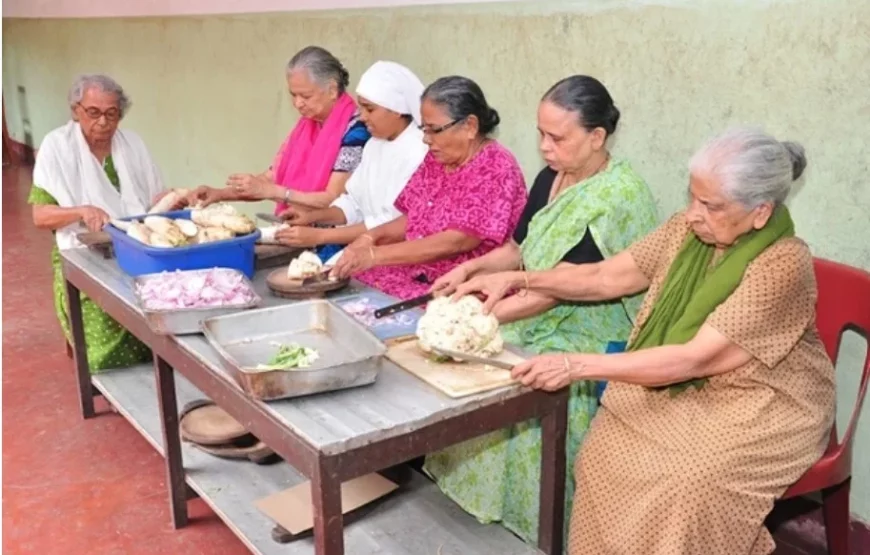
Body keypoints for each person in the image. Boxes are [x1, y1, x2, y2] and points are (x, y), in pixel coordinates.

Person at [453, 127, 836, 555]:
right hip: (681, 383)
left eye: (710, 205)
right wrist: (516, 276)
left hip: (762, 398)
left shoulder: (783, 264)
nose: (693, 213)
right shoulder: (687, 231)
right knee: (602, 453)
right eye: (692, 197)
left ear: (761, 212)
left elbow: (694, 359)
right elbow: (605, 276)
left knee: (688, 483)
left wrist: (574, 365)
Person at [422, 76, 658, 544]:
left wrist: (476, 322)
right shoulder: (552, 177)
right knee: (472, 370)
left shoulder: (617, 197)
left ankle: (544, 524)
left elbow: (569, 288)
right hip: (534, 303)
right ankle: (480, 507)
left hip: (590, 326)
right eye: (541, 135)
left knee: (515, 374)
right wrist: (469, 273)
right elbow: (519, 249)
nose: (545, 148)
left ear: (597, 137)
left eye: (558, 138)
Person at [331, 76, 528, 299]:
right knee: (351, 289)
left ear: (470, 126)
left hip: (464, 285)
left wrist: (377, 255)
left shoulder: (495, 166)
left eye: (434, 130)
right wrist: (371, 238)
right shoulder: (437, 158)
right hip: (418, 271)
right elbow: (413, 217)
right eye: (424, 129)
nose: (426, 139)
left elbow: (457, 240)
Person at [29, 74, 170, 371]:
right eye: (93, 113)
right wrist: (80, 211)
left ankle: (154, 375)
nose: (103, 122)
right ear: (75, 110)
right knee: (103, 319)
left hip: (134, 245)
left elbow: (152, 199)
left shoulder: (132, 144)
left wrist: (170, 199)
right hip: (81, 253)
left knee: (161, 299)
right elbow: (40, 216)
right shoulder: (57, 147)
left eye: (112, 113)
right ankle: (108, 379)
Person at [188, 46, 370, 260]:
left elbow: (333, 198)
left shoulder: (356, 130)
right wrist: (219, 193)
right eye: (293, 95)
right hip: (297, 234)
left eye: (306, 96)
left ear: (331, 89)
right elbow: (272, 177)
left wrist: (275, 192)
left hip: (337, 243)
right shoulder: (307, 126)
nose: (297, 103)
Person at [274, 60, 428, 257]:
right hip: (365, 248)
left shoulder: (419, 151)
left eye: (369, 109)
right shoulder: (374, 144)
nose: (362, 117)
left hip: (395, 255)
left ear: (396, 109)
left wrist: (319, 236)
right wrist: (311, 216)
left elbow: (390, 224)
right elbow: (353, 203)